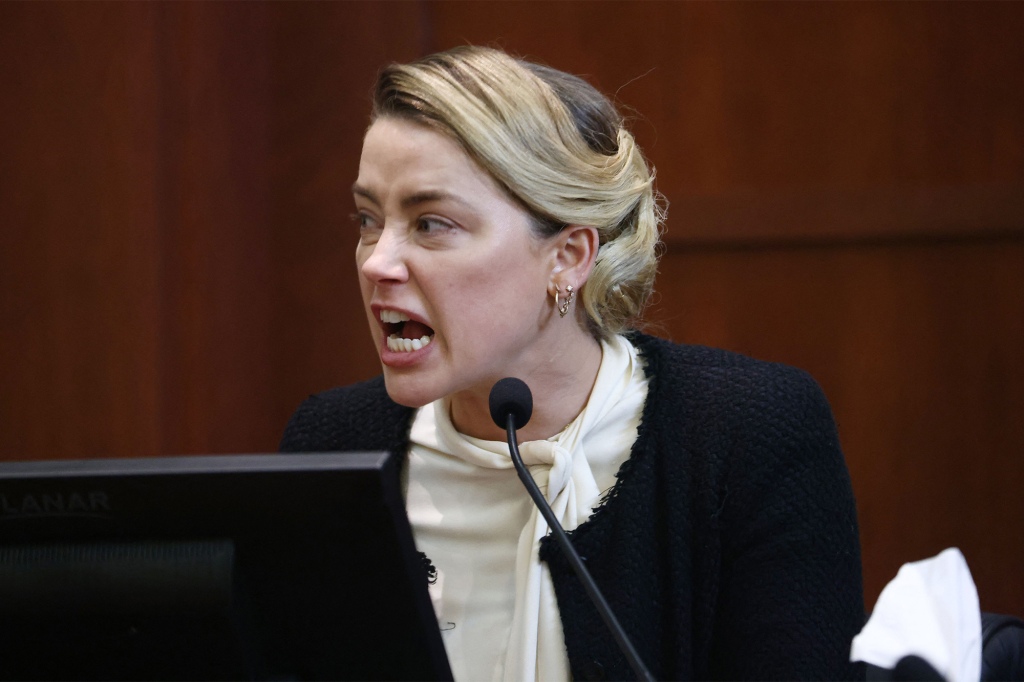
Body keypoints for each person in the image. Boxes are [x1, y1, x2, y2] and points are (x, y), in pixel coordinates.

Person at [280, 45, 864, 681]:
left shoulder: (744, 437)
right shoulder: (333, 447)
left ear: (566, 257)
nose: (376, 262)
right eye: (369, 219)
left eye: (431, 224)